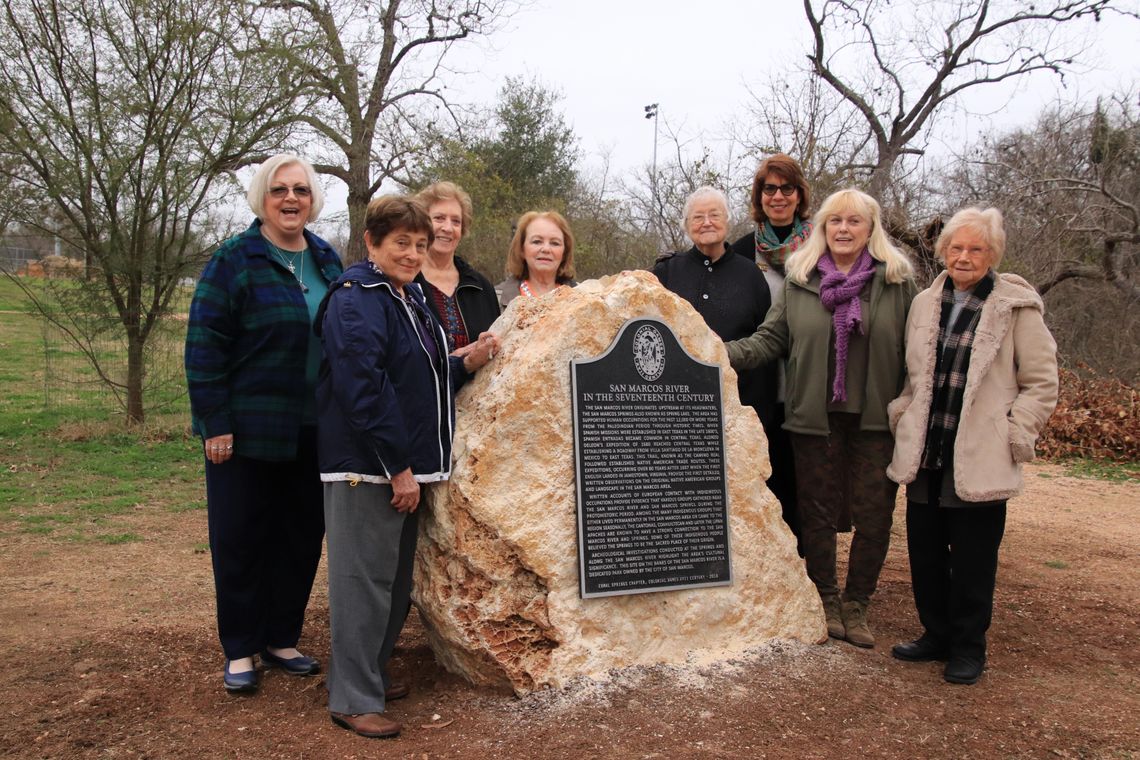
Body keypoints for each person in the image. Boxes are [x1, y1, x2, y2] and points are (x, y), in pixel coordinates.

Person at [317, 195, 498, 739]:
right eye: (401, 243)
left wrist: (466, 359)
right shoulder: (357, 299)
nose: (413, 253)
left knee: (393, 584)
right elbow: (364, 392)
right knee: (362, 581)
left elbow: (419, 374)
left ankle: (368, 672)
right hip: (366, 467)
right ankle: (351, 697)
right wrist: (397, 468)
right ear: (371, 242)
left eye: (420, 245)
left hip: (405, 467)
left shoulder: (407, 296)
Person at [724, 188, 917, 649]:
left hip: (874, 420)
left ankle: (858, 604)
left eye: (854, 222)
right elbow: (769, 341)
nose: (844, 230)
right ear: (823, 229)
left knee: (874, 517)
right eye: (835, 222)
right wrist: (714, 352)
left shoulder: (896, 281)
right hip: (814, 419)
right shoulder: (800, 279)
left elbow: (918, 351)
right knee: (817, 514)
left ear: (871, 229)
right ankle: (826, 598)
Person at [185, 153, 342, 693]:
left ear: (313, 198)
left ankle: (281, 638)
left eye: (301, 189)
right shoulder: (235, 259)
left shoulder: (327, 259)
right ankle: (240, 649)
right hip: (247, 431)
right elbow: (205, 345)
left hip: (315, 430)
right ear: (262, 197)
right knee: (241, 538)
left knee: (300, 537)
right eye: (280, 190)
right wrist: (214, 422)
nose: (291, 199)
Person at [886, 207, 1058, 685]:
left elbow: (1042, 383)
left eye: (975, 249)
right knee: (924, 551)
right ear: (943, 252)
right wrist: (902, 409)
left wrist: (1015, 429)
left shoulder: (1015, 307)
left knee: (974, 558)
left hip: (981, 451)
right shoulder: (924, 302)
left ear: (992, 254)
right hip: (926, 448)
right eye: (956, 248)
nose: (964, 257)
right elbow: (912, 375)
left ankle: (968, 646)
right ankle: (935, 635)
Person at [652, 186, 776, 510]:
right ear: (687, 225)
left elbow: (764, 341)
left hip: (739, 408)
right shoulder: (666, 272)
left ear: (727, 221)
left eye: (714, 215)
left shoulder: (751, 275)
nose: (707, 222)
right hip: (677, 412)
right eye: (698, 217)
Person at [728, 154, 814, 550]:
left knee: (805, 489)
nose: (777, 196)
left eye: (786, 188)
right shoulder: (743, 253)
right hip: (759, 387)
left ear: (799, 195)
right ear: (759, 197)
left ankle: (806, 573)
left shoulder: (822, 249)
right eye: (769, 189)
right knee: (763, 484)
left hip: (808, 386)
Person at [413, 181, 501, 350]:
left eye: (456, 221)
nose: (448, 228)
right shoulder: (406, 283)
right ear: (422, 223)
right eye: (439, 218)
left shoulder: (481, 287)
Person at [498, 210, 577, 308]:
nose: (546, 249)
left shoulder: (587, 298)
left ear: (564, 252)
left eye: (555, 243)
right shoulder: (494, 298)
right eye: (537, 241)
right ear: (522, 249)